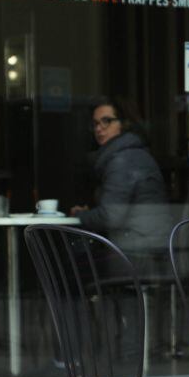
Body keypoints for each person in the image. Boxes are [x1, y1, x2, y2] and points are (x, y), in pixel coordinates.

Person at [70, 97, 169, 260]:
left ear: (124, 124)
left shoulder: (123, 160)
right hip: (143, 247)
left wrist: (80, 215)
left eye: (106, 121)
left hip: (137, 252)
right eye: (95, 123)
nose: (99, 128)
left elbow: (110, 217)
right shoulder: (127, 154)